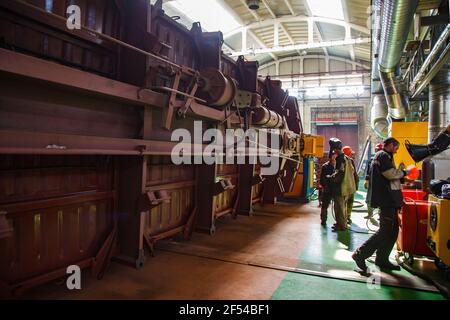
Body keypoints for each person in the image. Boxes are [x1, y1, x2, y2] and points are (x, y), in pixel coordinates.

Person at [352, 138, 409, 272]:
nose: (397, 149)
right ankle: (360, 254)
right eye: (396, 146)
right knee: (385, 231)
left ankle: (382, 259)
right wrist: (405, 172)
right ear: (389, 145)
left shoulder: (384, 156)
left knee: (392, 231)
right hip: (386, 200)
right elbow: (390, 174)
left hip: (390, 200)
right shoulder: (383, 156)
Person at [328, 138, 357, 232]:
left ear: (335, 149)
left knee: (340, 207)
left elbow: (339, 173)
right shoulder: (347, 158)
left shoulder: (340, 159)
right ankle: (339, 223)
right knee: (340, 207)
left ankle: (342, 226)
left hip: (341, 187)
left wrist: (331, 178)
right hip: (348, 187)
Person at [364, 143, 383, 219]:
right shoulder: (371, 161)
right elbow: (368, 171)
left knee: (381, 200)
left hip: (380, 183)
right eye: (377, 150)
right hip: (372, 183)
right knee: (369, 198)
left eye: (379, 150)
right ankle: (370, 214)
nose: (377, 151)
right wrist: (366, 180)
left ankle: (380, 215)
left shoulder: (384, 160)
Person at [342, 146, 359, 225]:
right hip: (349, 186)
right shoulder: (346, 161)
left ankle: (347, 217)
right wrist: (356, 185)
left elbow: (355, 174)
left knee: (347, 202)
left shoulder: (348, 160)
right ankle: (346, 217)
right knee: (347, 202)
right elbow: (355, 175)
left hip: (347, 186)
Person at [319, 155, 336, 226]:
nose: (334, 158)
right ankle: (323, 220)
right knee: (324, 206)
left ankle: (339, 222)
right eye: (332, 156)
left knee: (338, 206)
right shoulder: (325, 166)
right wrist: (325, 187)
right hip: (327, 189)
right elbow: (322, 179)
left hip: (336, 189)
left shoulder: (338, 165)